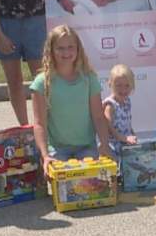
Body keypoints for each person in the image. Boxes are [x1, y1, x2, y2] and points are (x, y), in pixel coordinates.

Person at [29, 25, 114, 171]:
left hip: (87, 147)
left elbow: (98, 117)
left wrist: (105, 145)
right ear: (51, 50)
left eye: (70, 47)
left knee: (94, 184)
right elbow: (39, 124)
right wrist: (45, 155)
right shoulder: (41, 83)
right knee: (64, 182)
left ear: (78, 49)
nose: (66, 52)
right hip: (57, 149)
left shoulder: (89, 78)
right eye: (60, 48)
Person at [103, 64, 138, 156]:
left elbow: (128, 123)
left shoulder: (127, 102)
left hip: (126, 145)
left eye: (127, 86)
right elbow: (108, 128)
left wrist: (133, 134)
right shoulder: (110, 105)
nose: (123, 90)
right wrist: (123, 138)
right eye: (119, 85)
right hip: (113, 147)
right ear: (110, 84)